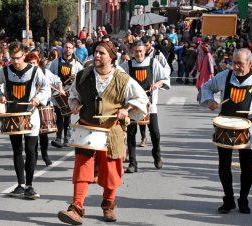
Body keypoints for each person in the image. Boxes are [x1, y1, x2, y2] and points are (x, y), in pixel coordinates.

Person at [57, 41, 148, 224]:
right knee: (82, 169)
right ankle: (76, 208)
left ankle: (108, 206)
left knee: (111, 172)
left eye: (101, 53)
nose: (96, 56)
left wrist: (127, 108)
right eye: (96, 52)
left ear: (111, 57)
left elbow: (141, 98)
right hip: (87, 128)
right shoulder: (83, 76)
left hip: (111, 130)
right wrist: (74, 104)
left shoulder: (123, 79)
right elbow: (74, 94)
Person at [0, 41, 48, 199]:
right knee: (17, 150)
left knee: (30, 150)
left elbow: (45, 88)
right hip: (13, 116)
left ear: (24, 55)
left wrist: (38, 98)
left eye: (18, 58)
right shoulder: (5, 71)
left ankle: (29, 185)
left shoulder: (35, 71)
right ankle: (20, 184)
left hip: (31, 114)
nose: (15, 61)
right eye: (12, 58)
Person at [201, 49, 252, 214]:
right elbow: (206, 87)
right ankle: (229, 199)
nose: (236, 67)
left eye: (240, 63)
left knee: (246, 166)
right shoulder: (225, 75)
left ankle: (244, 200)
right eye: (234, 63)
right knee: (224, 165)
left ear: (250, 63)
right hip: (224, 126)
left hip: (247, 128)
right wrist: (210, 101)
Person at [120, 40, 170, 173]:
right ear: (132, 52)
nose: (139, 53)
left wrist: (157, 84)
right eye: (136, 51)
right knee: (131, 134)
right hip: (133, 105)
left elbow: (165, 78)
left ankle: (157, 156)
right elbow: (118, 78)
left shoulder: (153, 63)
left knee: (155, 133)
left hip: (150, 105)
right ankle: (132, 163)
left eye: (141, 51)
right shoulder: (127, 65)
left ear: (145, 50)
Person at [25, 52, 63, 166]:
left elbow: (57, 80)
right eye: (30, 63)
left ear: (38, 63)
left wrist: (60, 89)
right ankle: (34, 156)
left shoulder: (45, 72)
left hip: (43, 105)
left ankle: (45, 155)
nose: (32, 65)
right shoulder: (26, 74)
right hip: (31, 106)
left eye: (34, 63)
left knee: (44, 133)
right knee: (33, 133)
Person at [48, 41, 83, 148]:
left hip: (70, 94)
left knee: (67, 116)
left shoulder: (77, 64)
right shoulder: (55, 62)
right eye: (66, 47)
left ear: (73, 50)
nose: (68, 49)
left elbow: (82, 77)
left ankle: (67, 137)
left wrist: (76, 77)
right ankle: (58, 137)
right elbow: (50, 76)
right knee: (59, 115)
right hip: (58, 93)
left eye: (70, 48)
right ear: (63, 49)